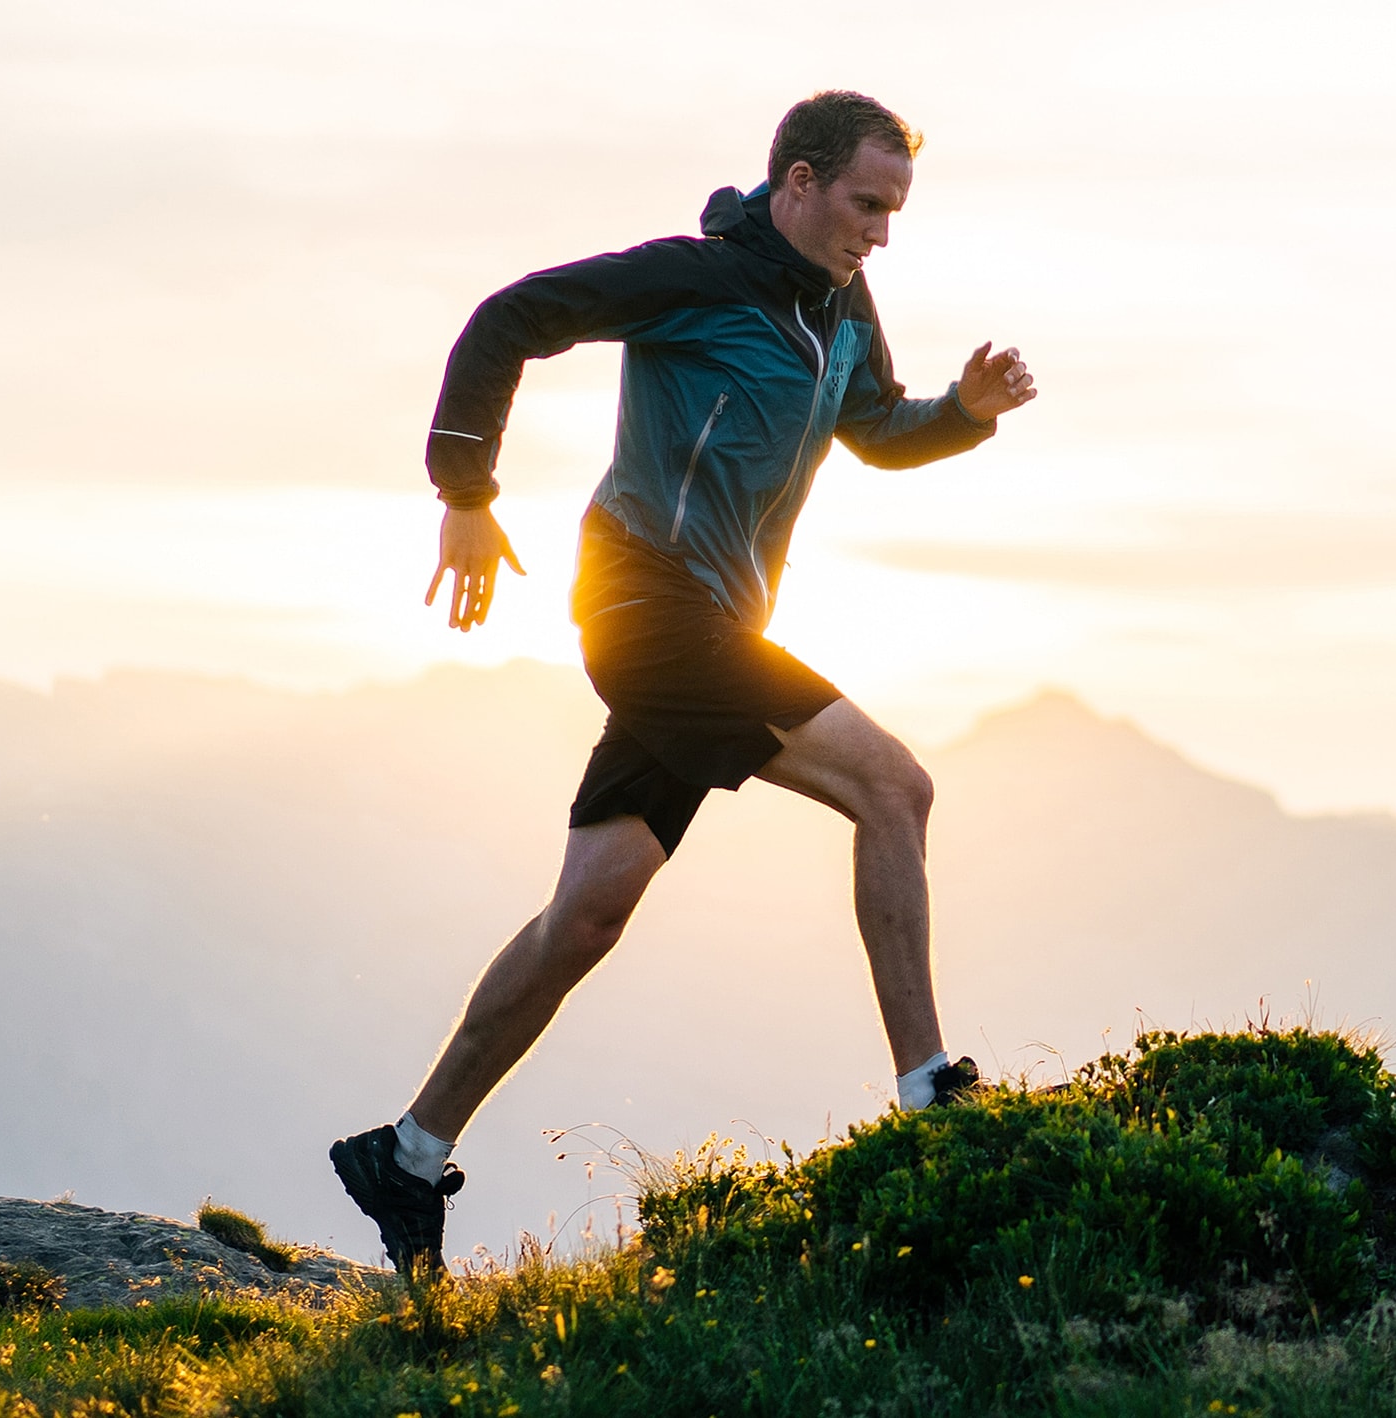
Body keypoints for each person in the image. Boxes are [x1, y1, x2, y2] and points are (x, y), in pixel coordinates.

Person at [330, 90, 1038, 1275]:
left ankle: (403, 1151)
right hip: (648, 606)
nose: (880, 231)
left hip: (714, 620)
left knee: (588, 912)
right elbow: (511, 316)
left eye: (895, 211)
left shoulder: (840, 306)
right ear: (797, 182)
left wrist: (960, 415)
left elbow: (872, 426)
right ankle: (931, 1095)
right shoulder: (692, 278)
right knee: (892, 787)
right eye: (866, 204)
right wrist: (465, 493)